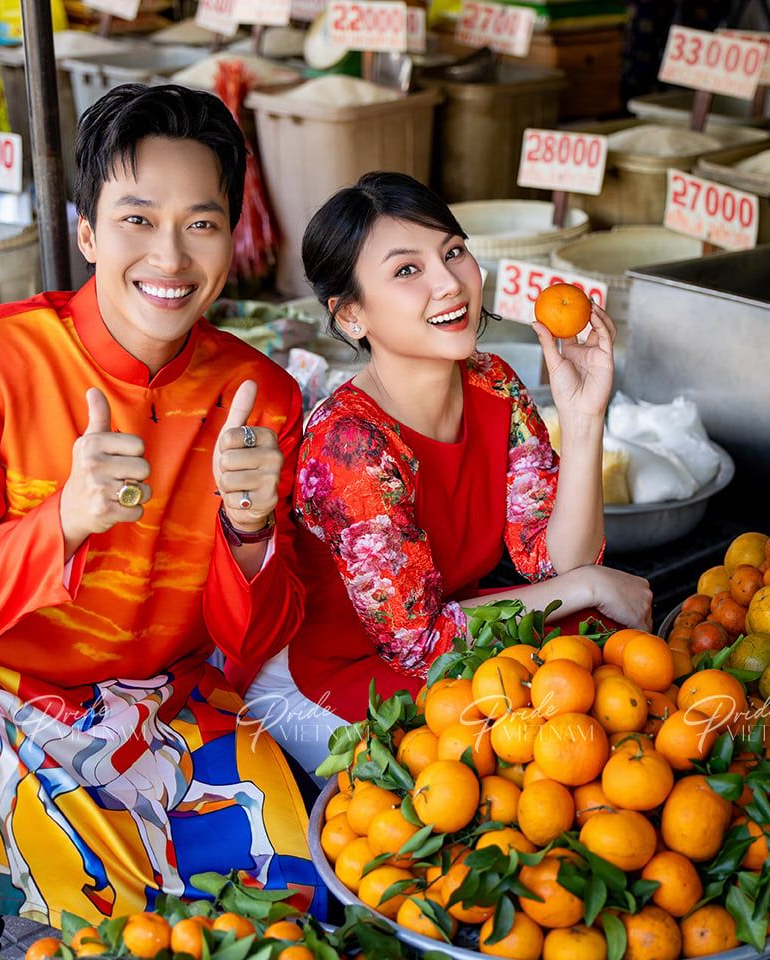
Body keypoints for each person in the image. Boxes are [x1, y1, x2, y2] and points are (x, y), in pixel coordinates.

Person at [0, 83, 321, 960]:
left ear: (229, 241)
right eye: (136, 218)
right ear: (88, 233)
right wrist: (61, 521)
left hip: (163, 700)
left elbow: (248, 646)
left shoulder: (264, 397)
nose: (169, 254)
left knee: (291, 897)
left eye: (201, 223)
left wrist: (252, 535)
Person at [243, 172, 653, 775]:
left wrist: (583, 416)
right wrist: (590, 586)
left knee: (599, 648)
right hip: (351, 676)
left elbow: (559, 562)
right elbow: (420, 641)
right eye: (407, 270)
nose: (448, 283)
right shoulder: (349, 442)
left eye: (453, 251)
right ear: (352, 315)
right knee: (503, 749)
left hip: (454, 628)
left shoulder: (494, 384)